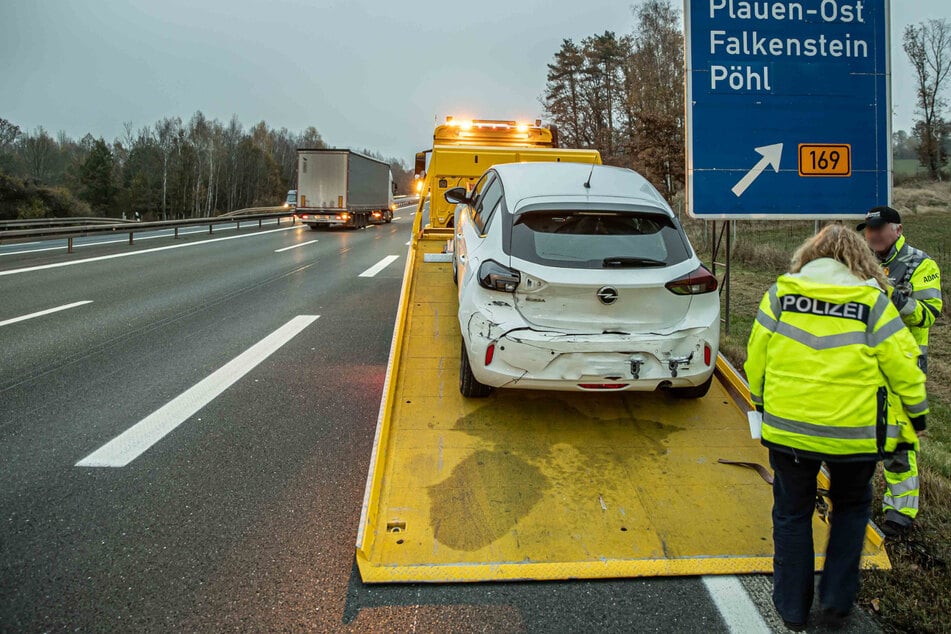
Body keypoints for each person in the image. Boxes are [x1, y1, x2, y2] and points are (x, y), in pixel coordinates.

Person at [745, 224, 928, 631]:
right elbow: (904, 364)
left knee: (792, 512)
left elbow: (756, 355)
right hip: (854, 432)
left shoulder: (782, 293)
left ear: (811, 256)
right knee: (851, 508)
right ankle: (836, 603)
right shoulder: (873, 300)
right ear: (858, 259)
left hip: (790, 428)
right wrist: (918, 415)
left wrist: (760, 401)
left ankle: (792, 609)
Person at [858, 205, 943, 536]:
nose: (873, 234)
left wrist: (888, 294)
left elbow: (927, 313)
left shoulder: (922, 264)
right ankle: (856, 502)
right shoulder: (860, 262)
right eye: (868, 228)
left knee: (900, 441)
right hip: (864, 361)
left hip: (903, 365)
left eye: (879, 228)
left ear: (898, 229)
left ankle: (901, 512)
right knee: (861, 435)